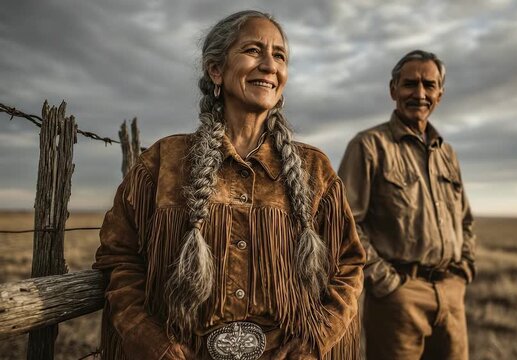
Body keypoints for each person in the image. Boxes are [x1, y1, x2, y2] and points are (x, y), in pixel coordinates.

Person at [94, 10, 365, 360]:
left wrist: (315, 342)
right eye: (253, 50)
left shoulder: (315, 170)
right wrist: (153, 343)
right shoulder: (163, 162)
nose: (270, 65)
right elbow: (119, 259)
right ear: (216, 70)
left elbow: (349, 264)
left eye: (279, 56)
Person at [338, 50, 476, 360]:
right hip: (399, 299)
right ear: (393, 90)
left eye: (429, 85)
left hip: (451, 294)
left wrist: (464, 270)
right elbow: (343, 224)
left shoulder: (447, 153)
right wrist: (386, 283)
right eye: (410, 84)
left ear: (440, 93)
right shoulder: (368, 146)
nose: (420, 93)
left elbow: (465, 220)